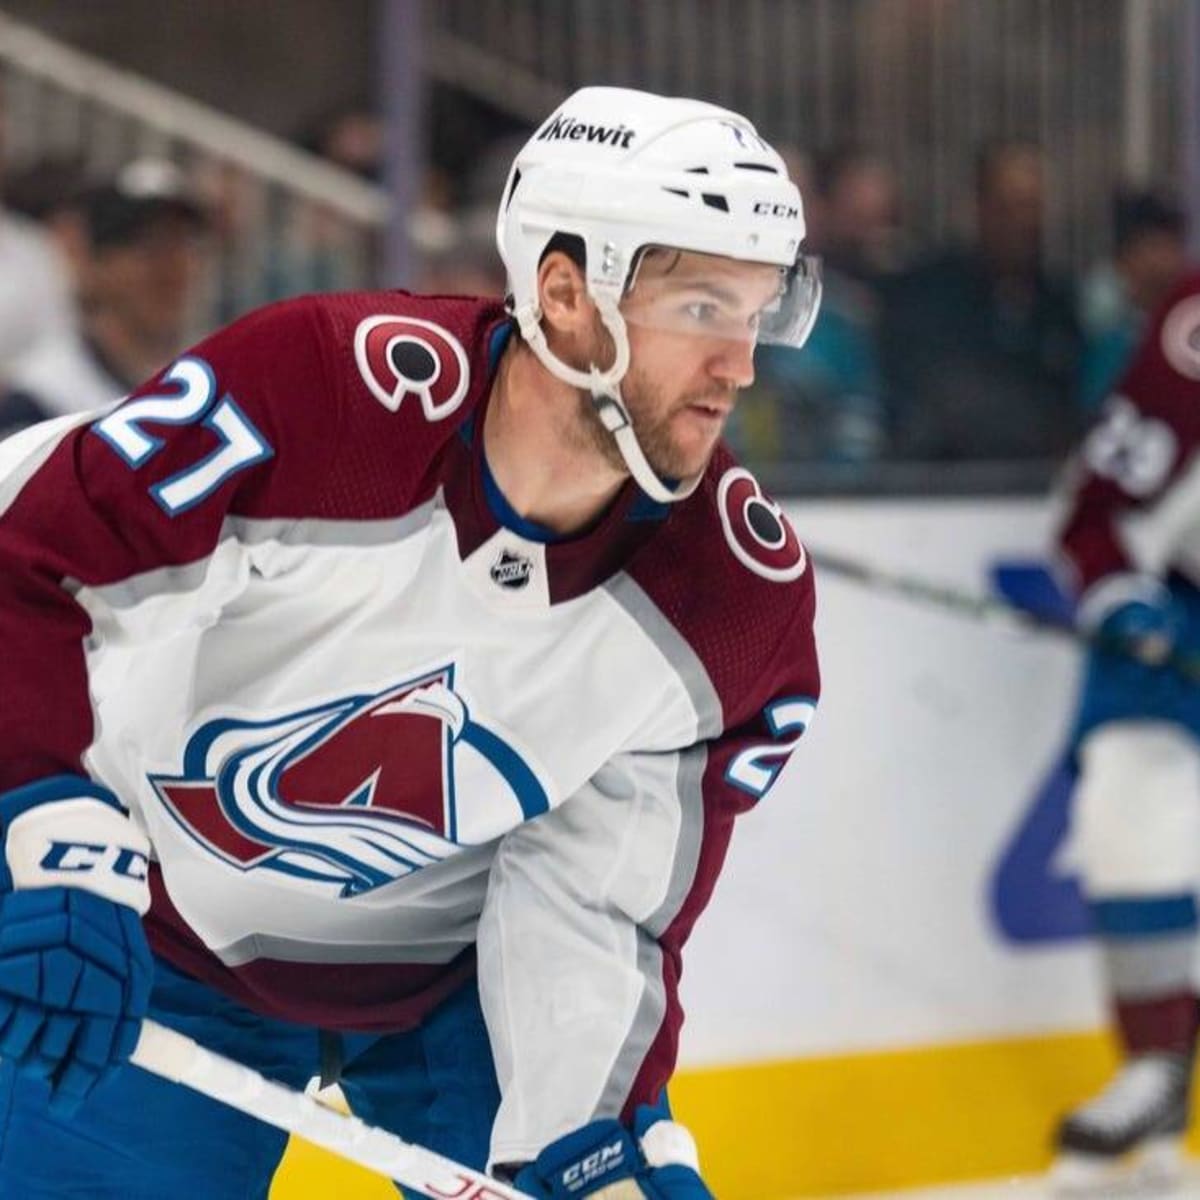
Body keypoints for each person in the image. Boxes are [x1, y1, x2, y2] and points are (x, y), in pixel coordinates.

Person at [0, 86, 821, 1198]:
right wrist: (39, 818)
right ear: (566, 294)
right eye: (702, 309)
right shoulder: (322, 394)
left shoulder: (731, 604)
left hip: (459, 994)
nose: (741, 365)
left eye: (760, 310)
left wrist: (584, 1140)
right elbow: (31, 559)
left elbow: (600, 902)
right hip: (151, 939)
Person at [1051, 266, 1200, 1190]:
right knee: (1130, 803)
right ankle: (1155, 1068)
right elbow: (1094, 516)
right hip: (1184, 614)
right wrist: (1122, 600)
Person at [880, 139, 1082, 461]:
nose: (1024, 223)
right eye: (1010, 207)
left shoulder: (1058, 303)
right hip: (947, 487)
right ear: (979, 208)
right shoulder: (928, 295)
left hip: (1037, 490)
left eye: (1033, 207)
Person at [0, 158, 210, 438]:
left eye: (185, 246)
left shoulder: (206, 381)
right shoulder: (40, 400)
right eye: (150, 248)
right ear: (95, 263)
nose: (174, 269)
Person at [1078, 187, 1188, 413]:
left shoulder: (1179, 322)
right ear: (1126, 253)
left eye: (1173, 247)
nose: (1167, 262)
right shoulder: (1099, 321)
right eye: (1155, 246)